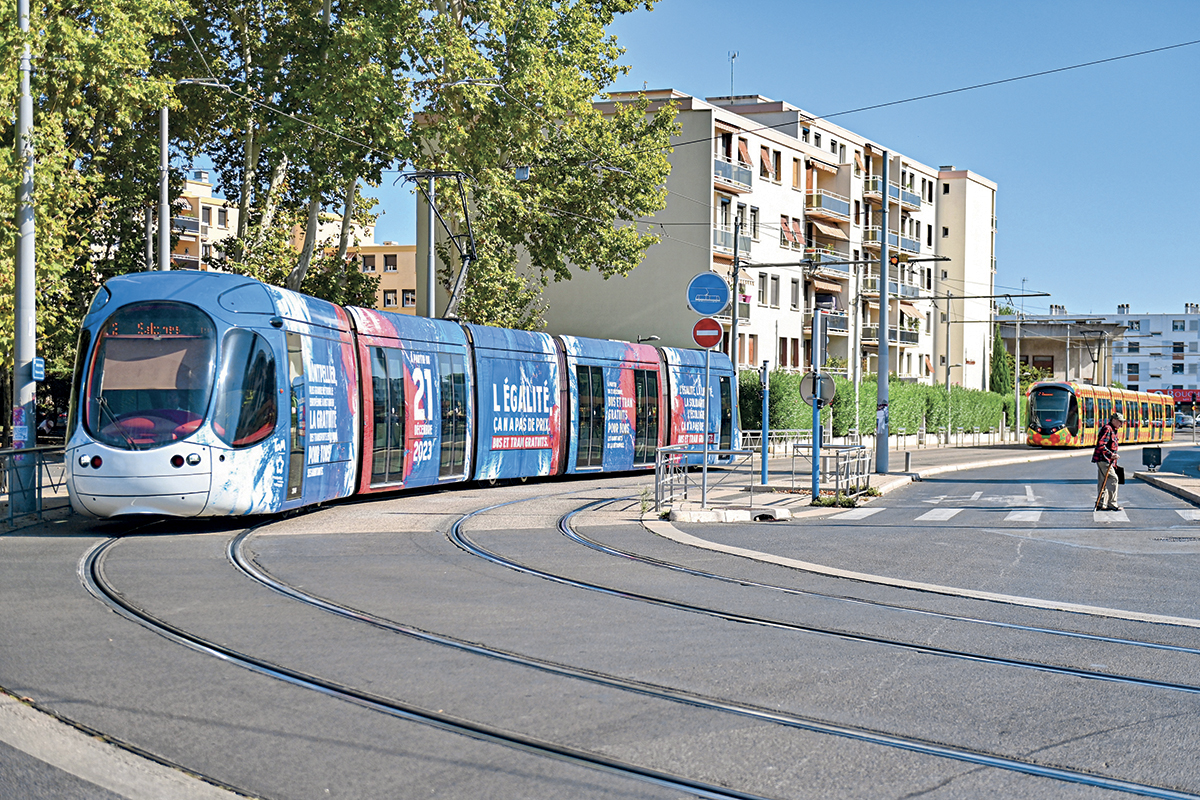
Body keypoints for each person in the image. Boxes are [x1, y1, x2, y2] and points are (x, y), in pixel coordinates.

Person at [1092, 411, 1123, 511]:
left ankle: (1100, 503)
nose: (1121, 424)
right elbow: (1101, 445)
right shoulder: (1107, 429)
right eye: (1120, 421)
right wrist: (1111, 455)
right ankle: (1112, 503)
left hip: (1106, 459)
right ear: (1113, 420)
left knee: (1103, 481)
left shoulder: (1113, 429)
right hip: (1104, 459)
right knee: (1113, 479)